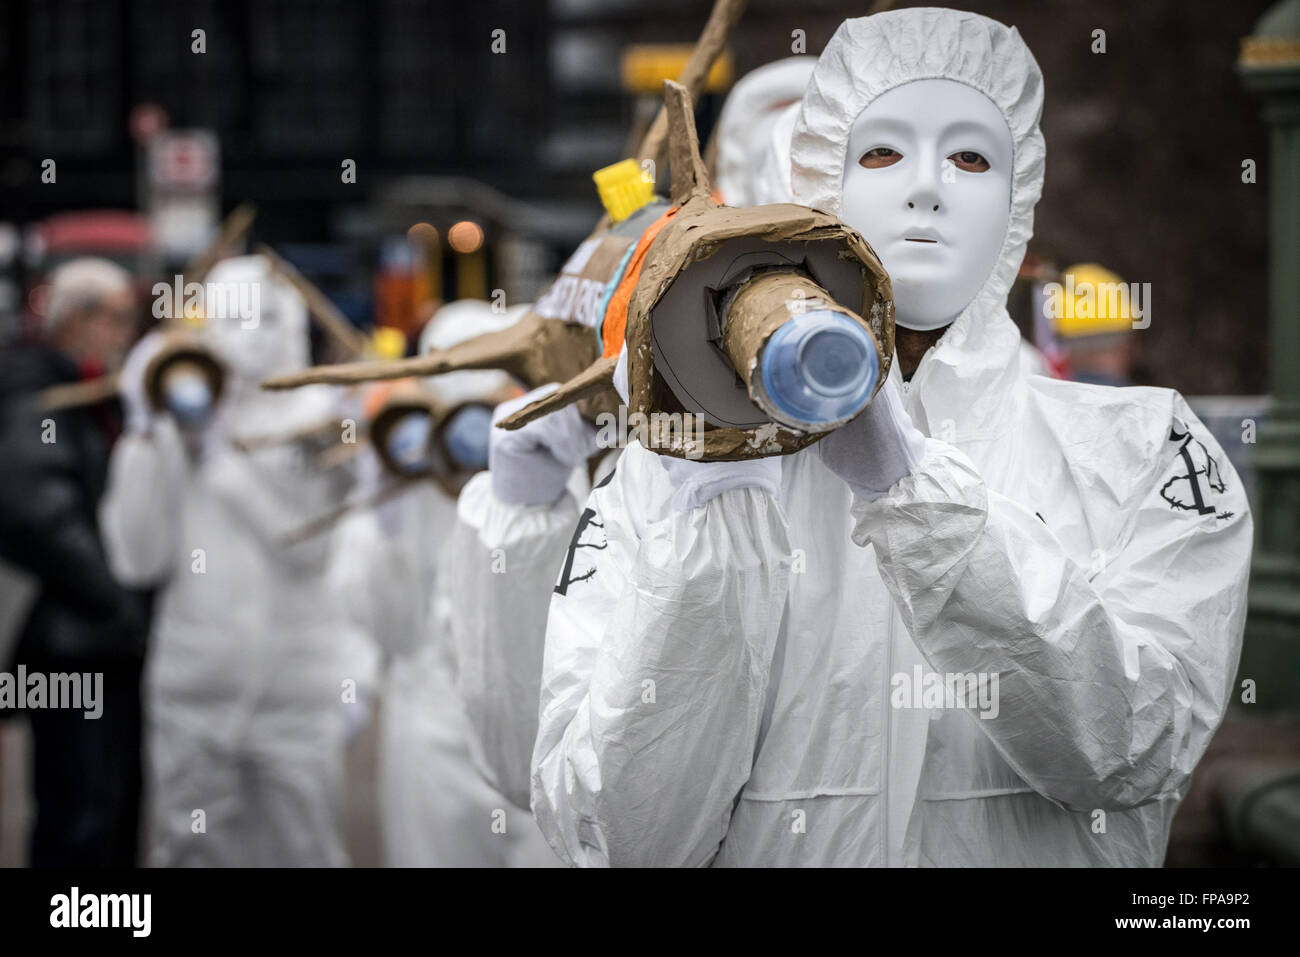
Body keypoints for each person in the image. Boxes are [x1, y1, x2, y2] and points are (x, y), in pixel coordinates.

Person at [530, 9, 1252, 866]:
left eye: (972, 157)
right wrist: (710, 532)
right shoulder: (673, 472)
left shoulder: (1143, 451)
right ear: (820, 182)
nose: (929, 188)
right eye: (881, 153)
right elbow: (620, 836)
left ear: (1020, 195)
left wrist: (918, 497)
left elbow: (1133, 748)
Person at [100, 254, 355, 866]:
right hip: (196, 686)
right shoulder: (179, 412)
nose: (254, 335)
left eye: (269, 317)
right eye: (236, 319)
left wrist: (220, 463)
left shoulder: (321, 417)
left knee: (305, 847)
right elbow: (136, 560)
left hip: (296, 689)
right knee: (191, 846)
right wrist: (146, 435)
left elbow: (307, 546)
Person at [331, 301, 558, 866]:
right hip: (432, 723)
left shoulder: (554, 462)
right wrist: (385, 523)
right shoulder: (408, 479)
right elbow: (387, 626)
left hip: (537, 728)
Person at [0, 257, 150, 867]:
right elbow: (43, 516)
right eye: (116, 320)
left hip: (93, 640)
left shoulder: (86, 392)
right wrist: (121, 602)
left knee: (107, 809)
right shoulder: (41, 394)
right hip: (71, 646)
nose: (124, 336)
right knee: (80, 813)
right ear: (78, 320)